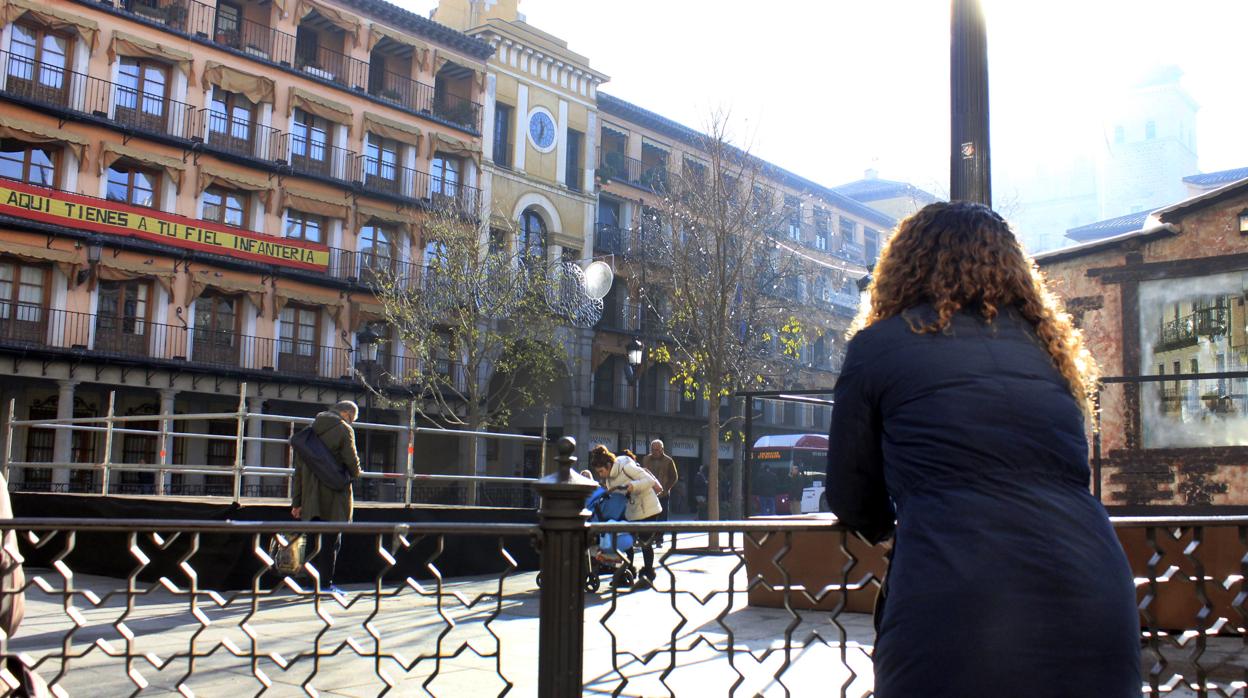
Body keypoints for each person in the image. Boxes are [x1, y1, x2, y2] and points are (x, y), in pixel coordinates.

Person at [826, 201, 1140, 697]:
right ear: (1014, 270)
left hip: (955, 597)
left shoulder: (879, 346)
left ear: (904, 264)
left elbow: (849, 492)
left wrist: (895, 530)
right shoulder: (1050, 353)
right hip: (1094, 591)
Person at [291, 400, 362, 595]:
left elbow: (298, 472)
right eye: (353, 419)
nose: (352, 423)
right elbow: (353, 465)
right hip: (334, 497)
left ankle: (309, 583)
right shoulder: (344, 430)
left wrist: (296, 502)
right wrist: (358, 471)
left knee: (313, 540)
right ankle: (325, 584)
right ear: (347, 414)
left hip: (309, 499)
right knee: (331, 542)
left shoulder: (309, 431)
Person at [589, 445, 662, 589]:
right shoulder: (609, 477)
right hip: (630, 511)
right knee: (626, 542)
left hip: (647, 508)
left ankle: (647, 576)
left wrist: (632, 486)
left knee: (645, 543)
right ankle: (626, 573)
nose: (600, 475)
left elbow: (649, 481)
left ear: (609, 465)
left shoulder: (625, 466)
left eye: (601, 471)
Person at [641, 440, 678, 545]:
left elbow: (674, 477)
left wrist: (667, 488)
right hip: (649, 493)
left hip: (663, 494)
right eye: (653, 449)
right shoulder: (646, 459)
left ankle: (659, 538)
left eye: (657, 450)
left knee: (662, 516)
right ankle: (649, 537)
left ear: (662, 449)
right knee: (649, 515)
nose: (655, 452)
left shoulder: (668, 460)